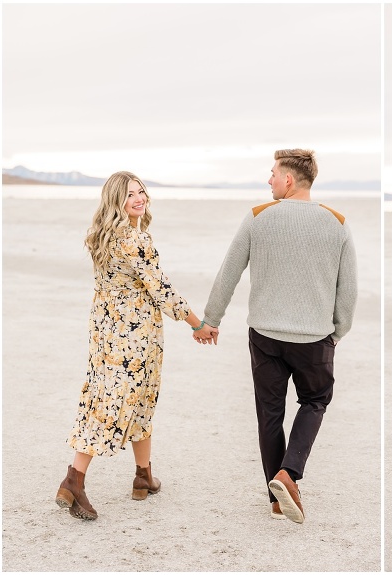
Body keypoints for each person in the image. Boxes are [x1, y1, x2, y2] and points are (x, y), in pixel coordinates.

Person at [201, 149, 357, 523]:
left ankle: (276, 495)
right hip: (314, 338)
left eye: (272, 174)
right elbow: (347, 290)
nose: (268, 180)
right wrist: (338, 332)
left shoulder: (258, 218)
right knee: (315, 401)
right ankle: (289, 474)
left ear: (289, 179)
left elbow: (229, 273)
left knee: (269, 414)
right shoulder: (337, 223)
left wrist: (211, 319)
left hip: (266, 335)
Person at [56, 171, 218, 521]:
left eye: (141, 191)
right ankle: (73, 480)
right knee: (111, 405)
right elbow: (162, 290)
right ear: (117, 201)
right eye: (130, 194)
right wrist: (199, 324)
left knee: (134, 400)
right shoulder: (134, 239)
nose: (139, 198)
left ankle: (143, 476)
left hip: (105, 333)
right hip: (134, 339)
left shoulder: (102, 236)